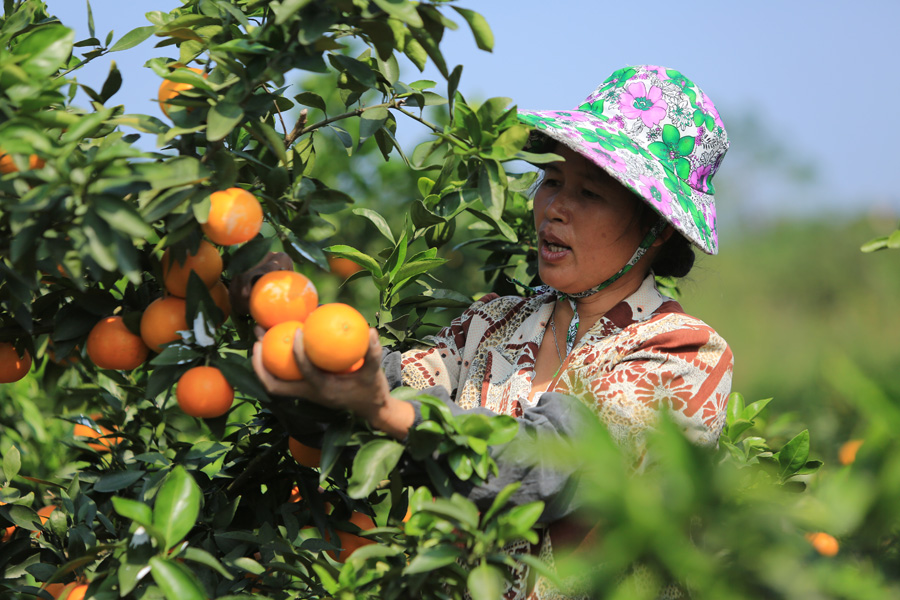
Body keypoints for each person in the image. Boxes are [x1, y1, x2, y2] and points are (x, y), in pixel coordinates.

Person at [240, 64, 733, 600]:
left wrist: (384, 408)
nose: (554, 208)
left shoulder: (682, 353)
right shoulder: (493, 324)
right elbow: (372, 397)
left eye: (589, 193)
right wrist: (291, 332)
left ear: (656, 228)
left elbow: (552, 462)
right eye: (552, 181)